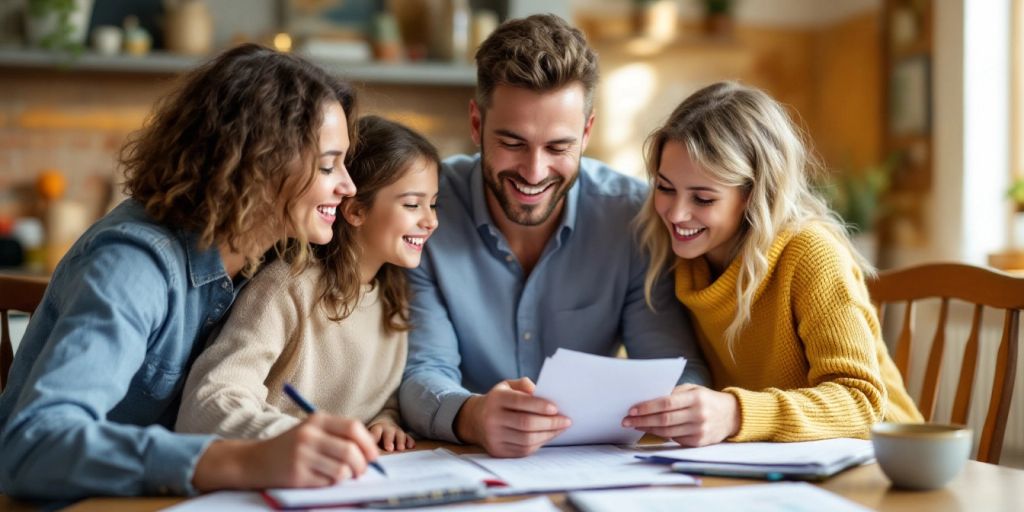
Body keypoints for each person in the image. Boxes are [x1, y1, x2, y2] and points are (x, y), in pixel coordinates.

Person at [0, 44, 382, 500]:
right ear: (258, 162)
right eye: (327, 165)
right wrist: (244, 460)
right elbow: (34, 446)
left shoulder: (263, 261)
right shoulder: (133, 266)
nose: (348, 185)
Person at [399, 14, 709, 458]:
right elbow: (421, 371)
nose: (534, 172)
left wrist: (684, 405)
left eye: (558, 147)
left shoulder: (633, 218)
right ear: (475, 124)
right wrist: (472, 415)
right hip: (469, 462)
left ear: (586, 133)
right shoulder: (425, 210)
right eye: (512, 142)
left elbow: (671, 368)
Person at [624, 81, 922, 446]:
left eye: (703, 198)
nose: (676, 213)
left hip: (881, 458)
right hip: (770, 462)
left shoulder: (811, 254)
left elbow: (861, 402)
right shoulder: (676, 255)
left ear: (754, 195)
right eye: (665, 188)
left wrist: (734, 413)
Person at [176, 115, 439, 454]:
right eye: (412, 204)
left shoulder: (392, 297)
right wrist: (303, 438)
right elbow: (210, 402)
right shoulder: (286, 288)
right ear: (356, 210)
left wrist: (385, 420)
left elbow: (378, 396)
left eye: (433, 204)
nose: (431, 220)